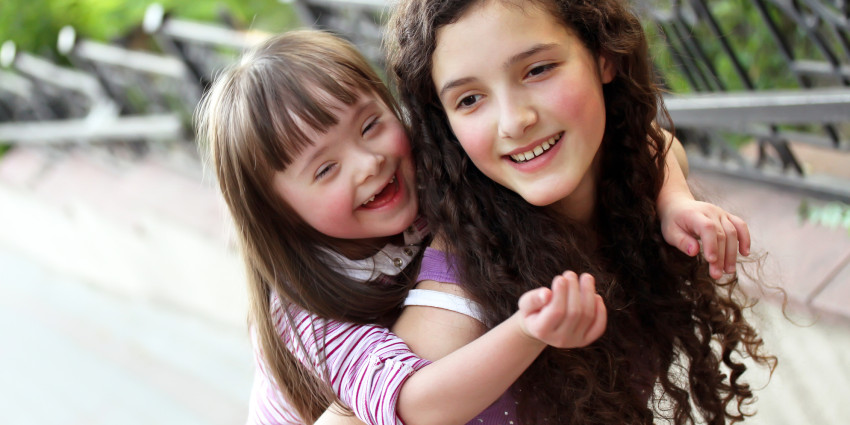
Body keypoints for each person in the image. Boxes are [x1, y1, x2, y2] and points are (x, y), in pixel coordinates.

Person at [195, 27, 754, 425]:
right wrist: (528, 329)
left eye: (370, 125)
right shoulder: (304, 317)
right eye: (325, 168)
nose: (369, 163)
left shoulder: (432, 167)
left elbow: (641, 141)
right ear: (281, 215)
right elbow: (415, 405)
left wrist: (673, 201)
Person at [384, 0, 776, 424]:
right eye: (470, 98)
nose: (514, 122)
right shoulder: (459, 290)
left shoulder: (629, 171)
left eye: (537, 70)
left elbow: (656, 143)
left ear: (604, 56)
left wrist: (675, 199)